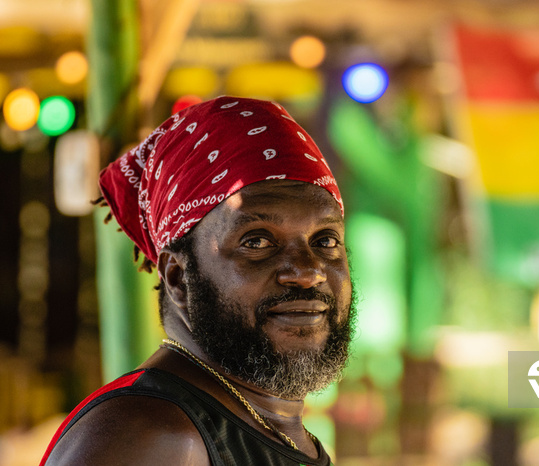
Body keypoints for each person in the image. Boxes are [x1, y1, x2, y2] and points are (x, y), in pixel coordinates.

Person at [40, 96, 356, 465]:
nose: (307, 271)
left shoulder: (269, 429)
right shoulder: (153, 435)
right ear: (177, 276)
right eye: (256, 242)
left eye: (326, 241)